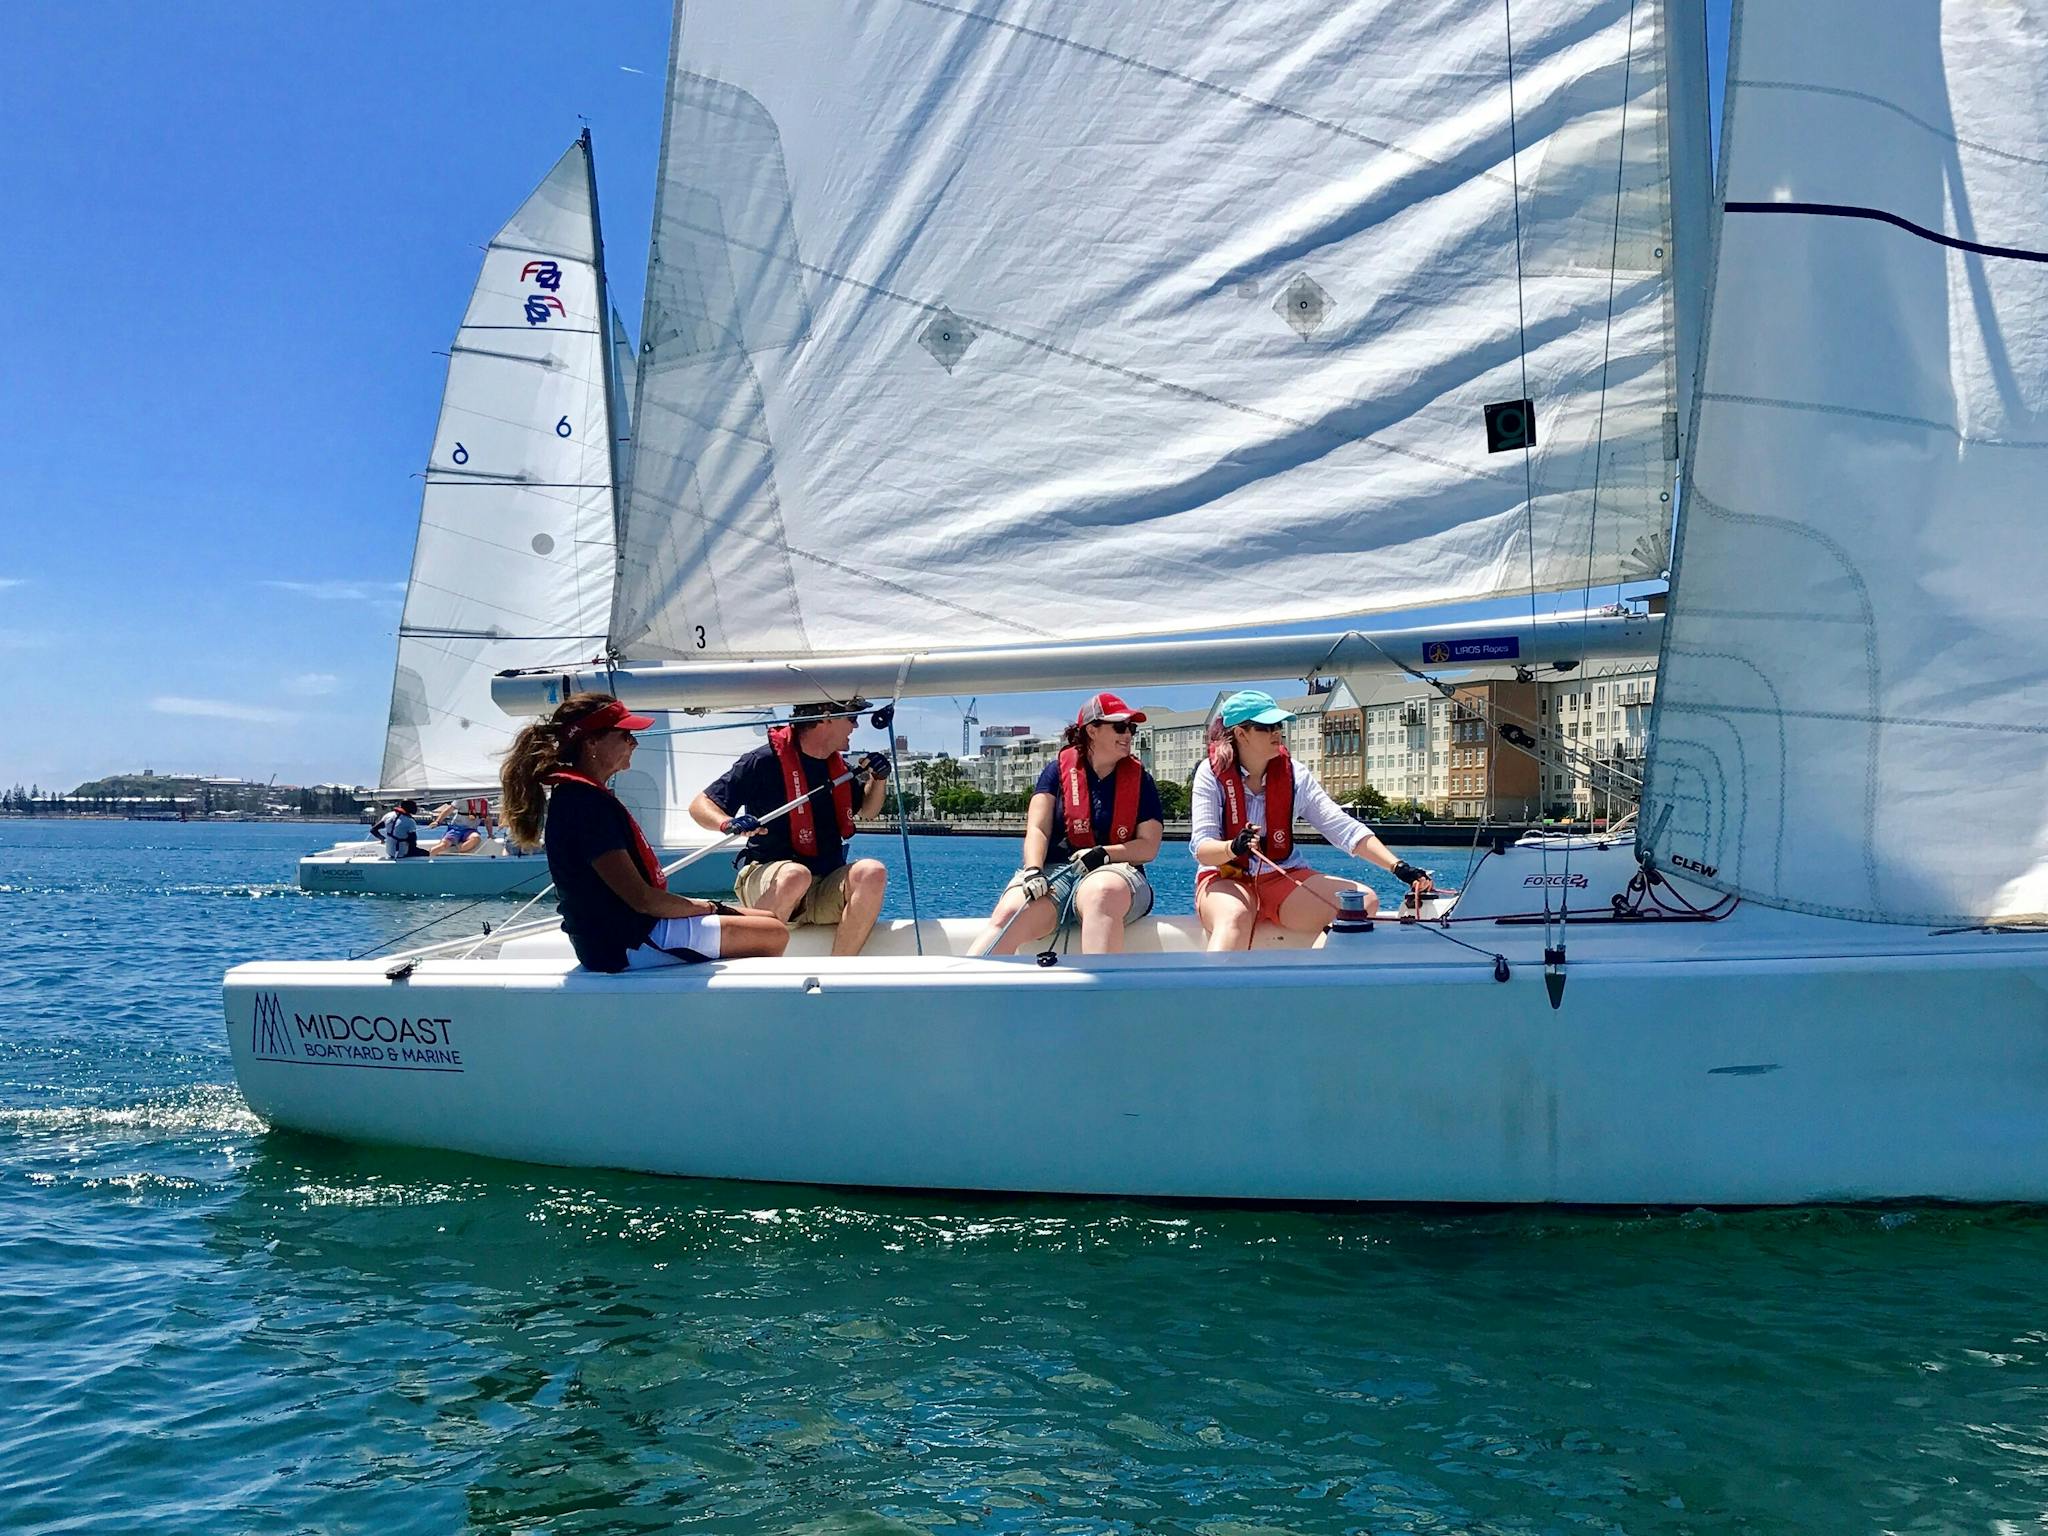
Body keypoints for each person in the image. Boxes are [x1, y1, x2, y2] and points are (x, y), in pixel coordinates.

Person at [500, 693, 788, 972]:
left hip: (624, 934)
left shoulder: (580, 797)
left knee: (770, 918)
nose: (634, 743)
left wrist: (711, 909)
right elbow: (642, 900)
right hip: (622, 943)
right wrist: (709, 907)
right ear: (591, 743)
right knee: (774, 933)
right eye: (625, 735)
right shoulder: (585, 805)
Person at [1191, 690, 1434, 951]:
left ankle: (1312, 981)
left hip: (1281, 877)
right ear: (1241, 734)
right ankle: (1215, 991)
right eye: (1266, 727)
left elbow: (1343, 828)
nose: (1277, 733)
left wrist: (1399, 867)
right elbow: (1203, 850)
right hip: (1224, 877)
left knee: (1362, 902)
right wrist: (1233, 847)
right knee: (1234, 917)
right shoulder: (1210, 773)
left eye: (1278, 726)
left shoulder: (1295, 774)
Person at [688, 700, 891, 956]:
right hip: (770, 877)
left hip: (823, 885)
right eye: (851, 719)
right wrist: (727, 823)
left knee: (873, 872)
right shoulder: (763, 761)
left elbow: (868, 811)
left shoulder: (840, 771)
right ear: (827, 717)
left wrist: (878, 779)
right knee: (796, 875)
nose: (856, 725)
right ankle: (749, 969)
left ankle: (838, 974)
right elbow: (700, 805)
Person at [969, 691, 1163, 956]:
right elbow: (1038, 828)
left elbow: (1148, 847)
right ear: (1092, 730)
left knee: (1101, 893)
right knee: (1012, 911)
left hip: (1118, 873)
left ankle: (1098, 994)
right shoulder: (1056, 771)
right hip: (1055, 872)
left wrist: (1104, 854)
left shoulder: (1142, 779)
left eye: (1131, 728)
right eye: (1120, 727)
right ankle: (961, 990)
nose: (1128, 734)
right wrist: (1033, 871)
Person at [424, 796, 494, 855]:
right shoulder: (462, 799)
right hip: (456, 828)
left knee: (476, 838)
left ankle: (458, 852)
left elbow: (488, 820)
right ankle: (429, 857)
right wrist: (437, 821)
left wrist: (490, 834)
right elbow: (448, 810)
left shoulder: (485, 803)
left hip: (470, 830)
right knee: (443, 845)